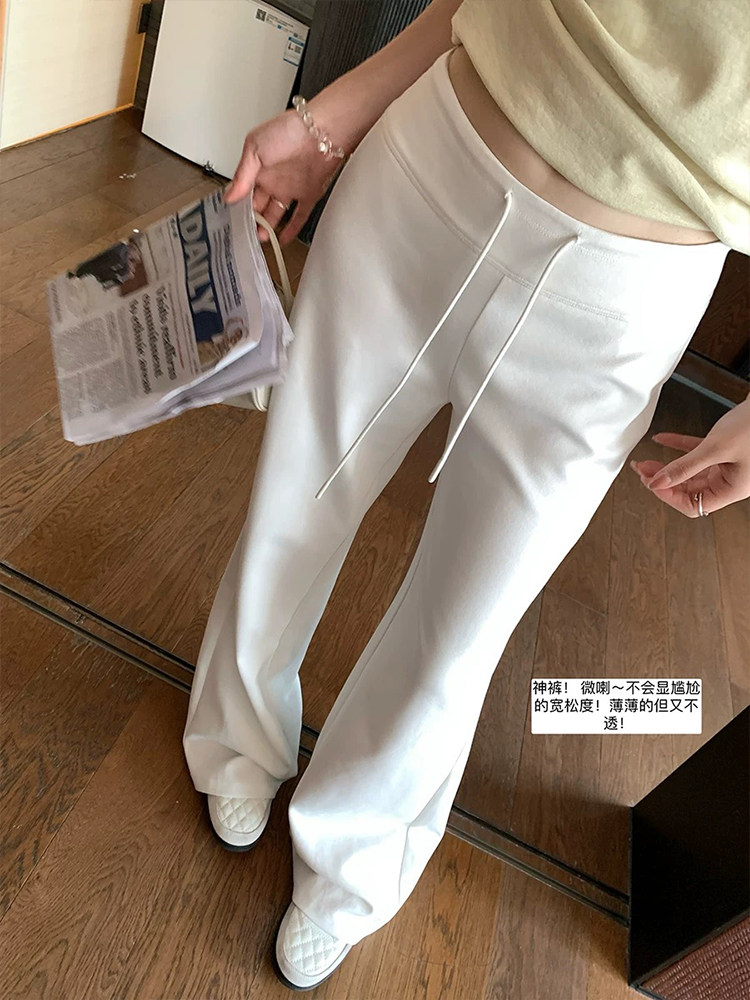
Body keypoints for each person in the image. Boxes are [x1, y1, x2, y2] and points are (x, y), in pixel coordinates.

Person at [183, 0, 750, 990]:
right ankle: (234, 740)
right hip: (431, 161)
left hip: (623, 303)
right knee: (296, 493)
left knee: (461, 627)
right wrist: (330, 120)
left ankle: (352, 862)